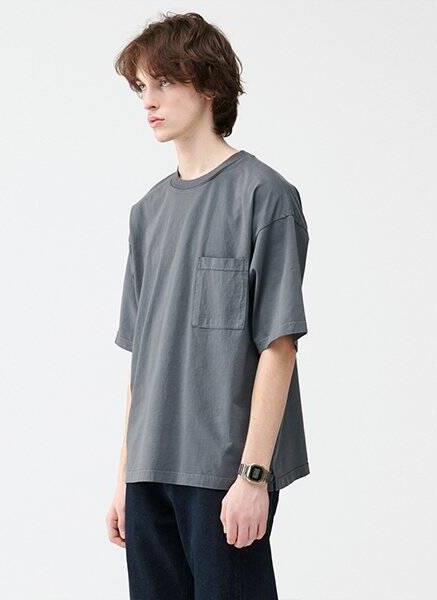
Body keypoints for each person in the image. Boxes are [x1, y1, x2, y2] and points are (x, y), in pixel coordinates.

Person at [106, 11, 310, 600]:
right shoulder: (147, 214)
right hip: (149, 474)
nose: (149, 100)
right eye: (141, 87)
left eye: (164, 82)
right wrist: (124, 477)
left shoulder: (264, 195)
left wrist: (254, 476)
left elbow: (279, 346)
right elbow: (142, 363)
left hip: (223, 472)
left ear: (209, 86)